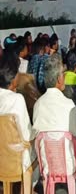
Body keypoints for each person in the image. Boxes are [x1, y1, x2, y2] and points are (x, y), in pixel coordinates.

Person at [33, 53, 76, 176]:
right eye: (63, 75)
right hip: (67, 165)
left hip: (46, 164)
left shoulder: (38, 104)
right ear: (59, 79)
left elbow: (36, 132)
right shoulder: (69, 104)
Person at [0, 52, 38, 188]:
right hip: (18, 162)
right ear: (12, 78)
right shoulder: (17, 100)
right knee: (40, 149)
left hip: (1, 158)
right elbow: (27, 135)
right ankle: (28, 188)